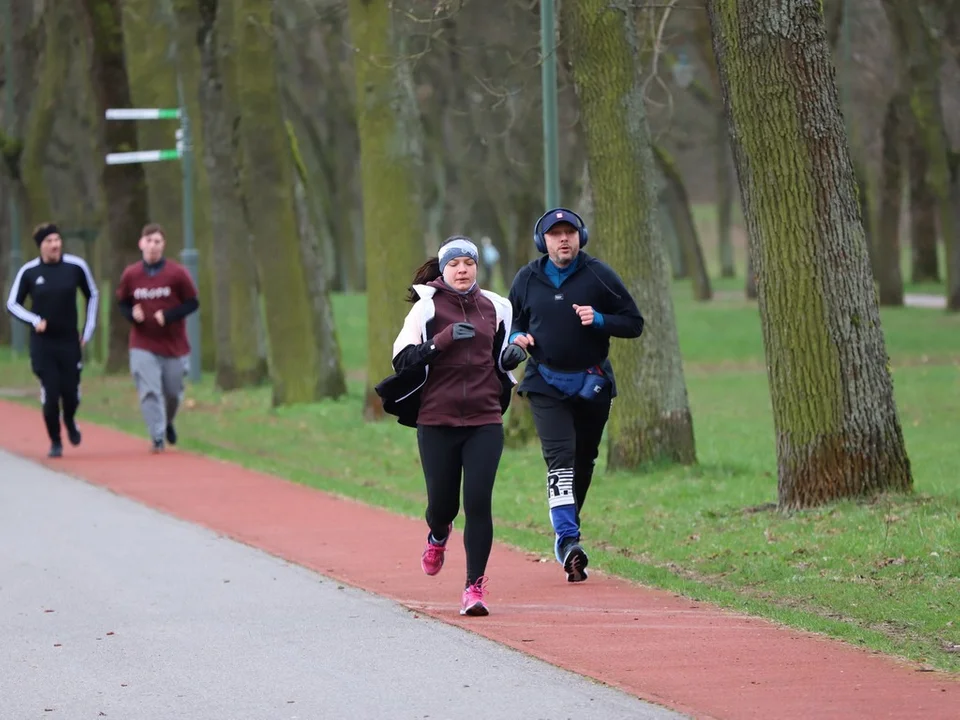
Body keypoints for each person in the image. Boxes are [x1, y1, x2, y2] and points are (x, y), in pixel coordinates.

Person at [375, 236, 527, 616]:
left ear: (477, 267)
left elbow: (503, 359)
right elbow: (402, 360)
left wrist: (513, 356)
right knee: (443, 505)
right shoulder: (426, 308)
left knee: (478, 503)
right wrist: (439, 342)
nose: (462, 269)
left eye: (469, 263)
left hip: (484, 418)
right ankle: (438, 534)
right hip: (437, 419)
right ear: (443, 269)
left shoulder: (497, 306)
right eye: (455, 263)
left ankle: (474, 588)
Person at [507, 208, 644, 583]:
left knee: (583, 460)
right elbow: (514, 321)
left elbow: (634, 323)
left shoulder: (599, 274)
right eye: (555, 234)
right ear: (543, 241)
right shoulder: (527, 278)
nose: (563, 239)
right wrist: (516, 338)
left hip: (592, 381)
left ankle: (567, 527)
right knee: (561, 459)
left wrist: (600, 319)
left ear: (580, 236)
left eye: (569, 232)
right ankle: (568, 541)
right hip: (544, 382)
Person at [5, 222, 99, 458]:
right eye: (49, 241)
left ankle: (69, 418)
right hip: (43, 343)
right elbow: (12, 304)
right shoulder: (29, 272)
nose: (55, 245)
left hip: (70, 341)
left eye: (57, 240)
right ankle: (55, 440)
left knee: (70, 393)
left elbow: (93, 295)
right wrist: (34, 320)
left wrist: (87, 331)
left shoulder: (76, 267)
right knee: (51, 391)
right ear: (41, 247)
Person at [115, 223, 199, 453]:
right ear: (141, 244)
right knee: (150, 391)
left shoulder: (177, 273)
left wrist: (170, 315)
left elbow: (193, 302)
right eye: (149, 241)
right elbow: (122, 302)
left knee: (172, 392)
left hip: (173, 345)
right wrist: (132, 314)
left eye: (157, 242)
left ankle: (167, 421)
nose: (152, 246)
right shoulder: (131, 274)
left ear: (163, 246)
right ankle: (157, 436)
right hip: (143, 344)